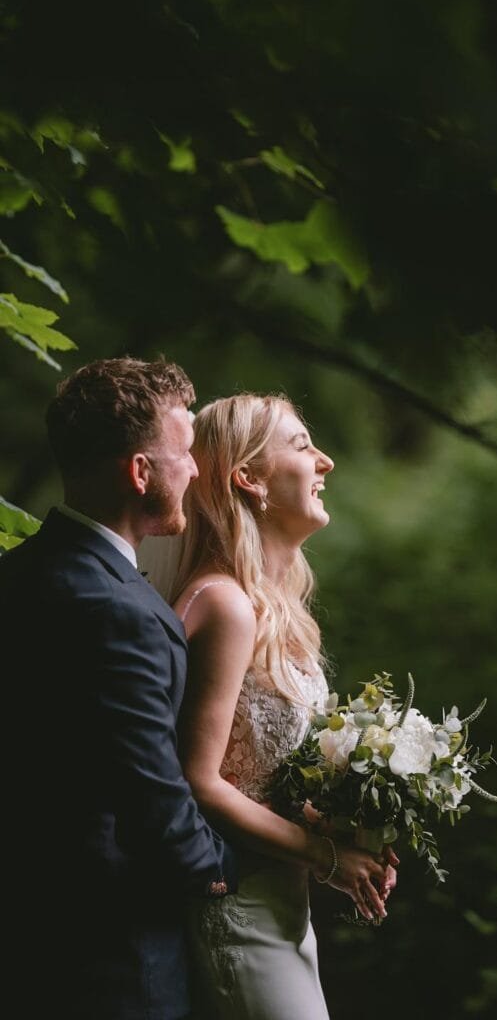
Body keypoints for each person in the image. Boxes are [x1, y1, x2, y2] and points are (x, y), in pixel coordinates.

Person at [141, 392, 397, 1020]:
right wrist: (325, 856)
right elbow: (197, 783)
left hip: (283, 907)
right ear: (249, 478)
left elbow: (252, 775)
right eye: (303, 444)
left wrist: (343, 830)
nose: (326, 461)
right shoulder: (224, 605)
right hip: (241, 909)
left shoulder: (277, 611)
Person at [0, 357, 236, 1020]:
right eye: (185, 453)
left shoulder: (16, 575)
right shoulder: (121, 609)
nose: (194, 470)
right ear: (140, 472)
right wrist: (222, 870)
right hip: (109, 955)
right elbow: (152, 799)